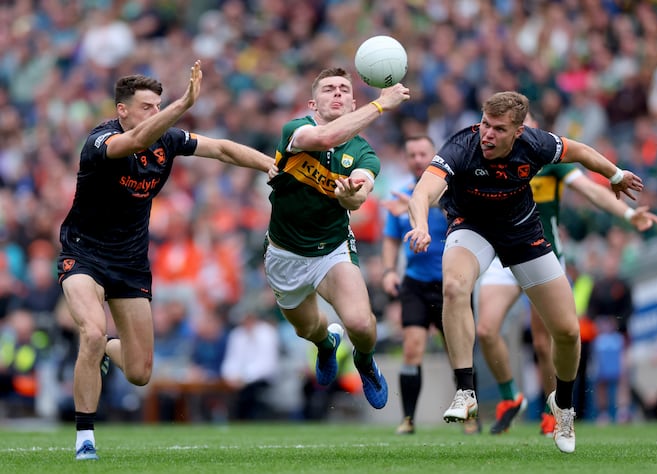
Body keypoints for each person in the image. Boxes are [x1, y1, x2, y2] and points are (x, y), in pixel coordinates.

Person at [57, 60, 276, 460]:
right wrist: (184, 103)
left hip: (130, 264)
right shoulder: (100, 141)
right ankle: (85, 438)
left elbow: (222, 149)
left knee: (140, 373)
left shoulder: (169, 140)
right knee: (89, 332)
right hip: (83, 254)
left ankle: (106, 349)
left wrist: (270, 164)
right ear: (121, 109)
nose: (154, 113)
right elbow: (136, 142)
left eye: (158, 106)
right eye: (147, 106)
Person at [405, 91, 644, 453]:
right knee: (454, 288)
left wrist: (614, 173)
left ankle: (563, 406)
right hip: (472, 228)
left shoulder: (536, 144)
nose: (487, 134)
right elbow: (422, 192)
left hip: (522, 232)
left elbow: (579, 150)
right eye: (485, 123)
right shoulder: (461, 146)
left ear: (518, 131)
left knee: (566, 332)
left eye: (498, 129)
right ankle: (465, 390)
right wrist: (421, 225)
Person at [475, 113, 657, 434]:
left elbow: (591, 190)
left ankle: (553, 410)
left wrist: (629, 215)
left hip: (542, 256)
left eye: (527, 126)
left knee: (546, 345)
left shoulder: (549, 160)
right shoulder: (489, 158)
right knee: (487, 330)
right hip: (502, 254)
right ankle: (510, 397)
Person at [264, 67, 410, 412]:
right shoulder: (295, 129)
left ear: (352, 102)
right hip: (285, 252)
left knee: (360, 323)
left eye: (344, 89)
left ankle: (365, 361)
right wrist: (379, 106)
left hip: (332, 249)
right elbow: (323, 139)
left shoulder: (364, 153)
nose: (338, 93)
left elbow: (359, 197)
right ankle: (326, 343)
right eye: (329, 89)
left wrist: (349, 195)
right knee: (307, 329)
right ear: (314, 102)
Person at [381, 135, 479, 435]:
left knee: (458, 351)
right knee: (411, 349)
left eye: (423, 153)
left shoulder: (452, 189)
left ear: (433, 155)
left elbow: (463, 218)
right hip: (416, 283)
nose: (417, 159)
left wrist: (423, 204)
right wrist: (388, 270)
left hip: (452, 285)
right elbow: (391, 238)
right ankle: (408, 419)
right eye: (412, 154)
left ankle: (470, 417)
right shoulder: (400, 196)